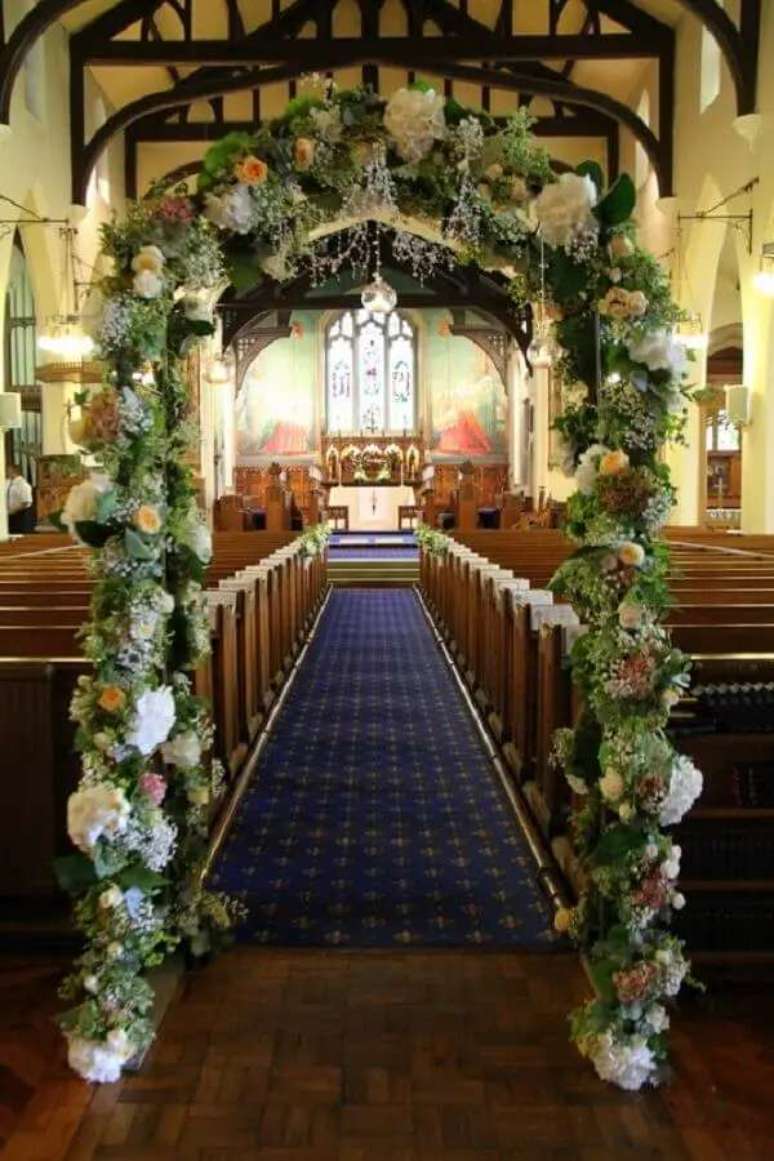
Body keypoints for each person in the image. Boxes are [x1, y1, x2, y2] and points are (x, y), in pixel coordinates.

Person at [6, 463, 34, 534]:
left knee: (19, 535)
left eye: (8, 470)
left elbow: (26, 502)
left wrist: (13, 510)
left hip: (20, 516)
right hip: (10, 516)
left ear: (14, 471)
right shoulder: (8, 483)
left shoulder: (23, 485)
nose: (7, 472)